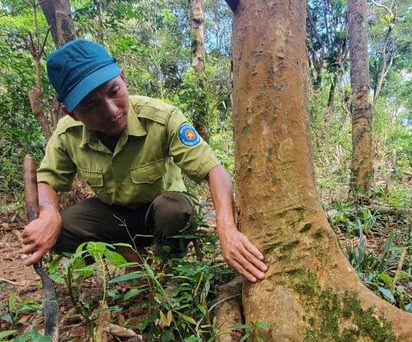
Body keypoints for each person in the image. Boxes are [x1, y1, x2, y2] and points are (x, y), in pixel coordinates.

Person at [21, 39, 267, 283]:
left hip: (163, 212)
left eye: (113, 91)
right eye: (91, 105)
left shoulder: (161, 118)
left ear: (123, 79)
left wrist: (227, 229)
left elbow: (213, 169)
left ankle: (170, 269)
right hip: (114, 216)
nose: (110, 110)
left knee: (174, 210)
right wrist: (50, 212)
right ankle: (133, 260)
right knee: (59, 229)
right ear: (71, 112)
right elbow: (47, 179)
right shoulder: (67, 134)